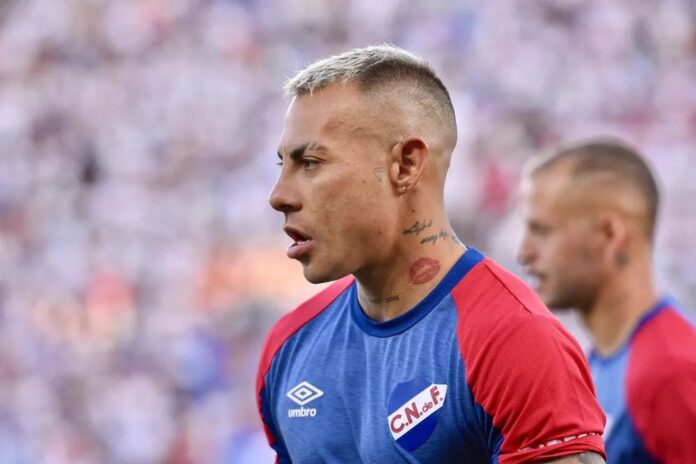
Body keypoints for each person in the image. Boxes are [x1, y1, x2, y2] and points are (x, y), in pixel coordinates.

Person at [257, 44, 606, 463]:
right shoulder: (289, 348)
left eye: (311, 162)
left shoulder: (514, 343)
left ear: (406, 165)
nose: (279, 196)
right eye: (282, 166)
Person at [517, 138, 696, 463]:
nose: (524, 253)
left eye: (542, 231)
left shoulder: (670, 374)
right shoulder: (599, 361)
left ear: (610, 235)